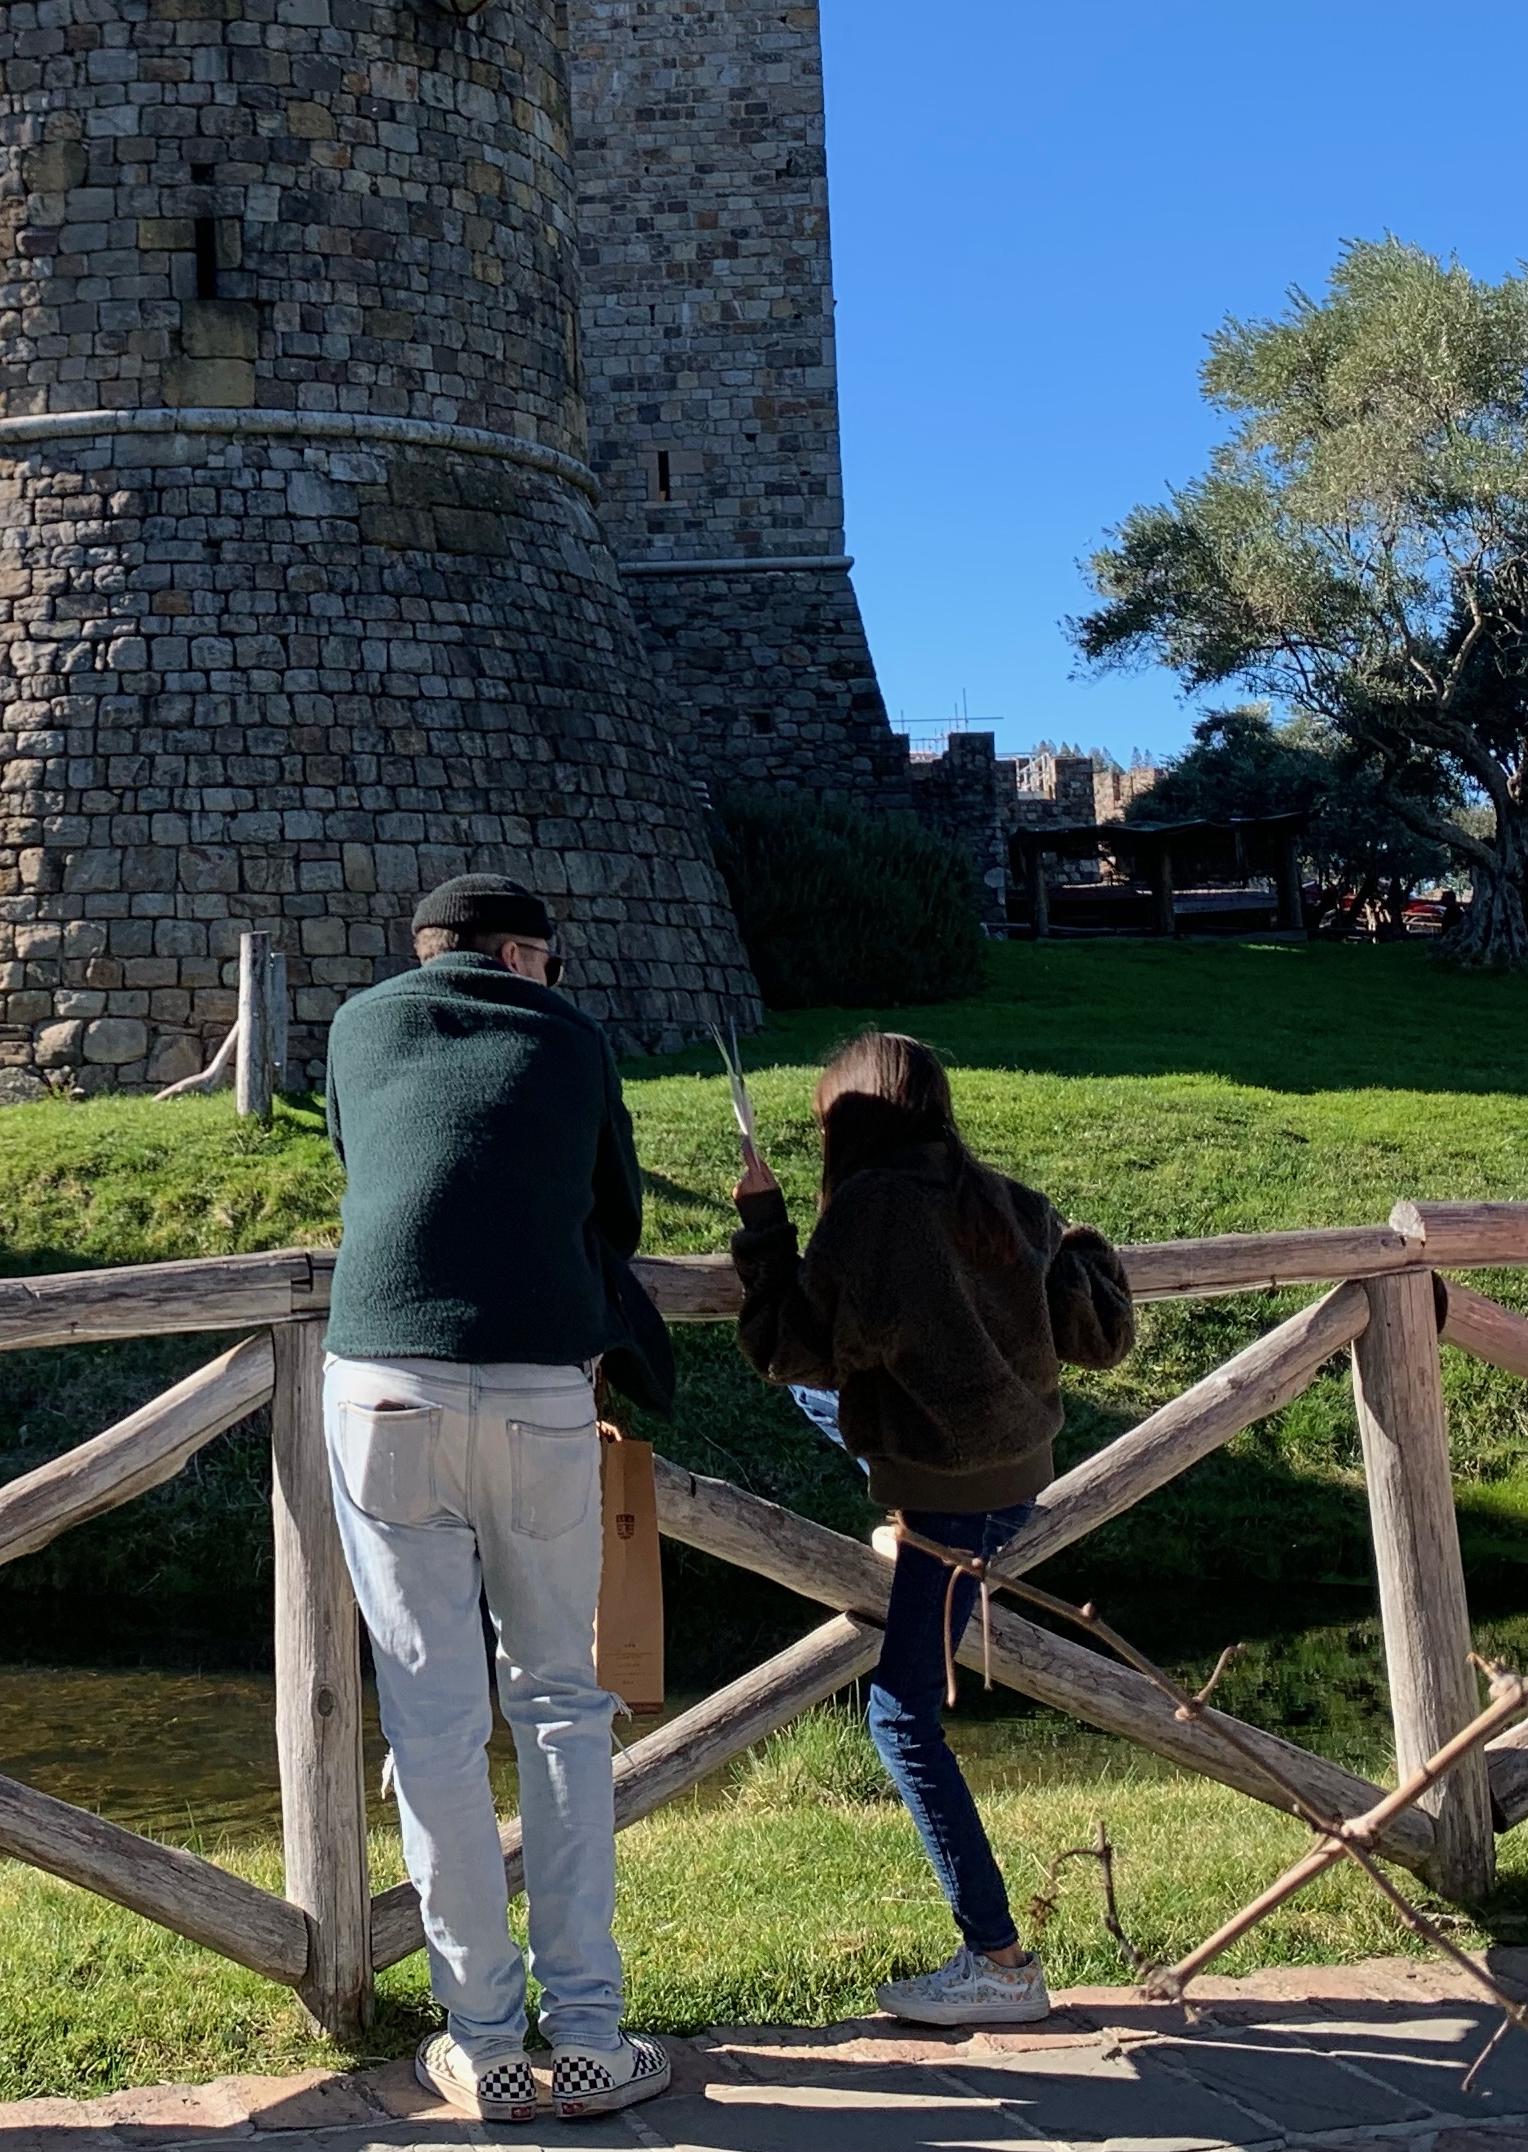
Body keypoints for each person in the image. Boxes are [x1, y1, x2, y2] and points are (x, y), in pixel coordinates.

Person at [322, 874, 673, 2124]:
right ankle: (586, 2033)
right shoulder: (570, 1036)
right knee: (563, 1709)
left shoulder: (360, 1025)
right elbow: (616, 1211)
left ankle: (481, 2040)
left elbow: (360, 1164)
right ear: (526, 957)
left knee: (431, 1728)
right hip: (536, 1387)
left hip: (383, 1387)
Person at [728, 1031, 1131, 2030]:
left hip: (945, 1493)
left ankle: (998, 1961)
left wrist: (764, 1230)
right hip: (1013, 1480)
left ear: (848, 1126)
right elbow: (1100, 1332)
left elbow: (787, 1348)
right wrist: (1078, 1243)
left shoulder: (872, 1213)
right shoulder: (1003, 1200)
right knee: (854, 1415)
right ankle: (902, 1523)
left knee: (902, 1719)